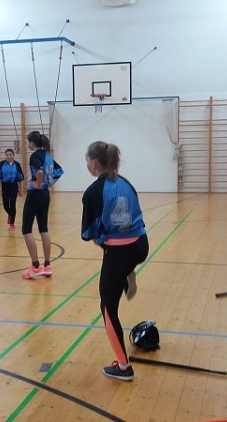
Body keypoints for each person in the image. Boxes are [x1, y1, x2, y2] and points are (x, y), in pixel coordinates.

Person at [82, 141, 149, 381]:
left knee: (108, 309)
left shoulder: (92, 192)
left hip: (120, 253)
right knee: (115, 251)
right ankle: (127, 272)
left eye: (86, 160)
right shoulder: (126, 183)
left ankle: (123, 367)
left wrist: (103, 236)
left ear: (94, 163)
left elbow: (88, 233)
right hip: (141, 245)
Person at [21, 131, 64, 279]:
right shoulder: (48, 156)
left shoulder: (35, 156)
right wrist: (48, 184)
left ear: (32, 143)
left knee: (26, 229)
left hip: (35, 194)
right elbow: (59, 172)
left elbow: (39, 172)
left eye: (28, 142)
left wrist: (38, 184)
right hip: (45, 194)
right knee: (43, 228)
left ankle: (35, 267)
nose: (28, 145)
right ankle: (47, 265)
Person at [0, 148, 25, 231]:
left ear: (13, 155)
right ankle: (10, 215)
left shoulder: (17, 165)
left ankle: (12, 223)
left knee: (12, 204)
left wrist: (21, 189)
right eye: (7, 155)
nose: (8, 156)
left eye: (10, 154)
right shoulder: (1, 164)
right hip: (5, 186)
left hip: (13, 186)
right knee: (5, 205)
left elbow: (20, 178)